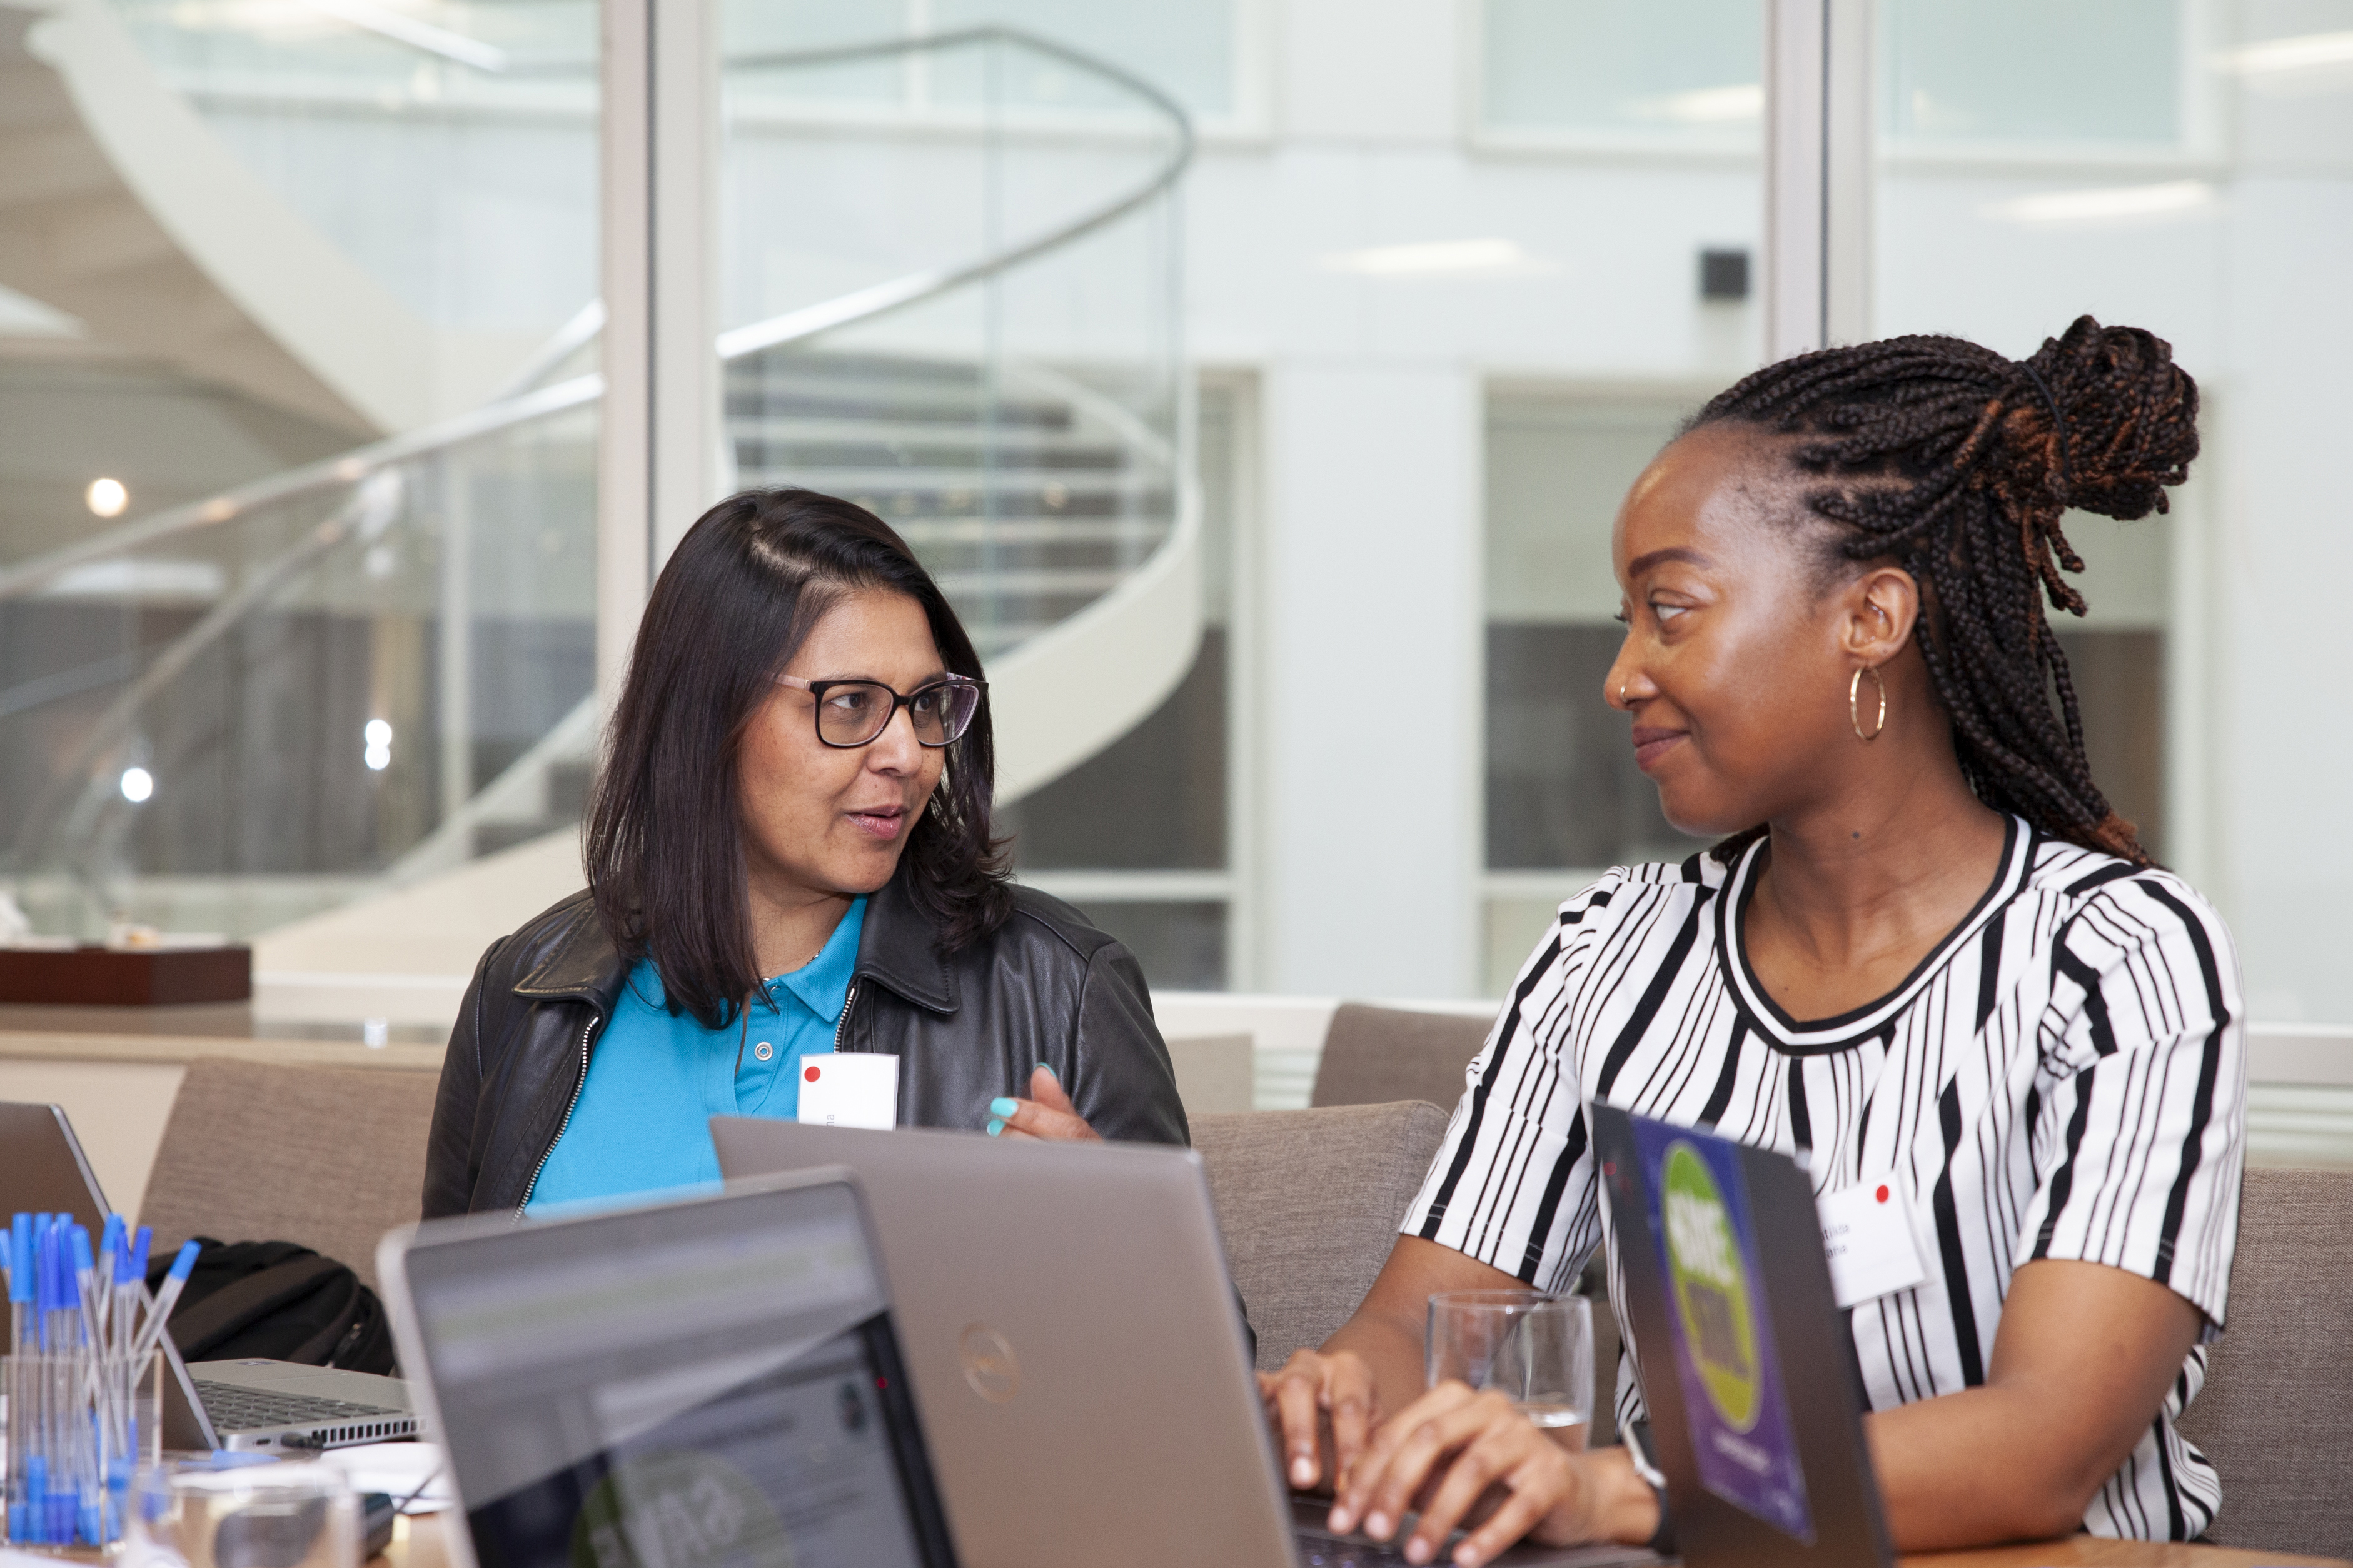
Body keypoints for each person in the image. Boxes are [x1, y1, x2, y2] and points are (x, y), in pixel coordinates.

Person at [1264, 318, 2243, 1565]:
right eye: (1625, 619)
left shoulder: (2117, 956)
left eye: (1668, 610)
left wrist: (1617, 1491)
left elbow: (2043, 1446)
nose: (1621, 674)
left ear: (1870, 617)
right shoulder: (1611, 953)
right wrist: (1340, 1394)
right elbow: (1415, 1325)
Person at [423, 488, 1184, 1219]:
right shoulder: (523, 993)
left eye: (924, 704)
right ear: (706, 719)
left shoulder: (1060, 994)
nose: (908, 755)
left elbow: (1194, 1314)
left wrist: (1109, 1238)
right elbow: (439, 1304)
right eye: (850, 703)